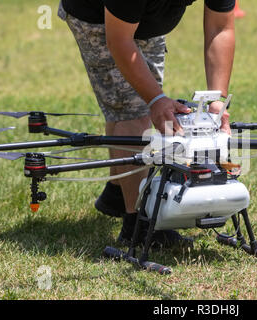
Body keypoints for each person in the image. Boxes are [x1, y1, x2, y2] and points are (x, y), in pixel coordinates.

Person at [58, 0, 235, 247]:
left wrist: (217, 98)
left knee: (128, 101)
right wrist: (156, 100)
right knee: (133, 108)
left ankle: (117, 194)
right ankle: (139, 227)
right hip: (94, 16)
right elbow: (120, 40)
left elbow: (220, 27)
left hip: (145, 20)